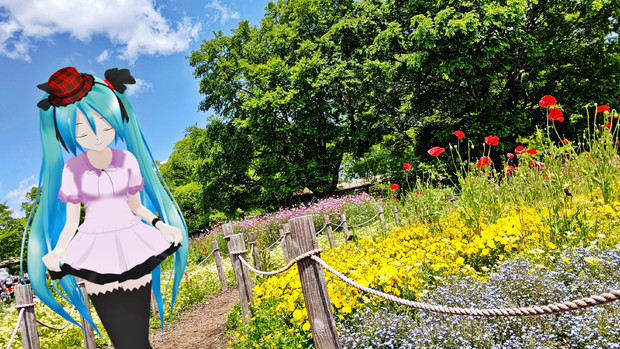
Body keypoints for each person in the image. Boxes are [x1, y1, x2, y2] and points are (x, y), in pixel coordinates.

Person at [23, 67, 189, 348]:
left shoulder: (127, 160)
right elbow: (71, 222)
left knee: (139, 339)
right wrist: (61, 249)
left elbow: (137, 207)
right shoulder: (72, 168)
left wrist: (161, 225)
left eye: (103, 124)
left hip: (133, 242)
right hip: (95, 249)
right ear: (68, 134)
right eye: (81, 130)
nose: (96, 135)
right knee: (122, 341)